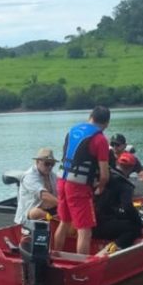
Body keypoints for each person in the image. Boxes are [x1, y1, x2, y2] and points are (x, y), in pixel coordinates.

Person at [53, 106, 111, 255]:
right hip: (78, 186)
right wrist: (100, 187)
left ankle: (55, 255)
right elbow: (104, 174)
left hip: (62, 181)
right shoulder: (100, 139)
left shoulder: (72, 131)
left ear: (90, 116)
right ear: (107, 123)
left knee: (64, 222)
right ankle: (81, 266)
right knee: (85, 230)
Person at [93, 152, 143, 253]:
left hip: (90, 223)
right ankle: (113, 249)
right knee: (134, 228)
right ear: (131, 168)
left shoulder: (104, 177)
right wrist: (139, 222)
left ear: (117, 163)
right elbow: (127, 207)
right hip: (103, 227)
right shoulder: (125, 185)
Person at [14, 147, 59, 225]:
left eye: (52, 164)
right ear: (38, 162)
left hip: (50, 210)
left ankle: (56, 221)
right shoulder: (29, 176)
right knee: (35, 212)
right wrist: (62, 204)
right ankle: (54, 221)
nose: (50, 167)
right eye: (47, 164)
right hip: (28, 215)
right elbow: (44, 195)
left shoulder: (53, 175)